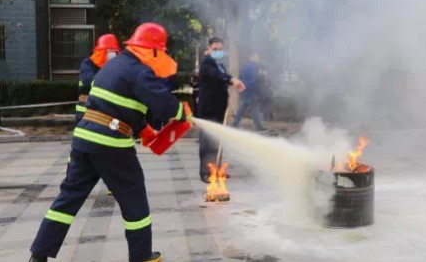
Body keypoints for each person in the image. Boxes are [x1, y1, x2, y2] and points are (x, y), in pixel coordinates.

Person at [28, 23, 189, 262]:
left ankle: (38, 255)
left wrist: (143, 128)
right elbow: (164, 104)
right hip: (110, 143)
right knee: (134, 198)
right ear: (153, 50)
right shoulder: (140, 71)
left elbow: (116, 104)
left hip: (84, 139)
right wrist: (182, 112)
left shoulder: (114, 66)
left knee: (68, 199)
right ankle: (141, 256)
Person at [198, 37, 245, 183]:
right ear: (209, 49)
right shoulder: (207, 62)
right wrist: (231, 79)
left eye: (220, 49)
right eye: (215, 49)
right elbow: (215, 75)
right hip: (209, 109)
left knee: (218, 139)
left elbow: (219, 78)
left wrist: (228, 84)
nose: (218, 52)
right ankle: (207, 172)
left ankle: (218, 169)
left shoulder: (219, 64)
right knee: (208, 141)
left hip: (218, 108)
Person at [76, 34, 120, 124]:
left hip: (107, 113)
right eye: (110, 51)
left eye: (115, 52)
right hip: (86, 112)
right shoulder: (88, 65)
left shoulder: (114, 68)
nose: (113, 55)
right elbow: (89, 81)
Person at [232, 52, 267, 131]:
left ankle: (234, 124)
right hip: (251, 91)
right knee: (254, 109)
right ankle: (259, 126)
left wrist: (241, 87)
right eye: (257, 57)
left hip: (244, 90)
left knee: (242, 109)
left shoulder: (244, 66)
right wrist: (256, 89)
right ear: (253, 57)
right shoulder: (254, 66)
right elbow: (254, 79)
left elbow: (240, 77)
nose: (258, 59)